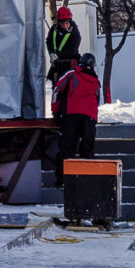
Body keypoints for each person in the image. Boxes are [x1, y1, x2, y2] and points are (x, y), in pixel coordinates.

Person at [51, 52, 101, 187]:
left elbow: (57, 91)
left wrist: (55, 112)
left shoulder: (71, 74)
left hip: (71, 116)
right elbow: (97, 101)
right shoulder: (96, 81)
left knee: (67, 149)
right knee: (87, 150)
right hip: (89, 118)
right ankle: (87, 182)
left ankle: (63, 181)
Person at [46, 6, 82, 85]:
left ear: (70, 22)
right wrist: (51, 53)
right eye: (62, 23)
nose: (65, 26)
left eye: (67, 23)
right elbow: (49, 41)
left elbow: (73, 50)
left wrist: (58, 55)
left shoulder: (75, 33)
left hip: (71, 64)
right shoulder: (54, 30)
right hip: (58, 66)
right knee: (56, 87)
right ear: (59, 22)